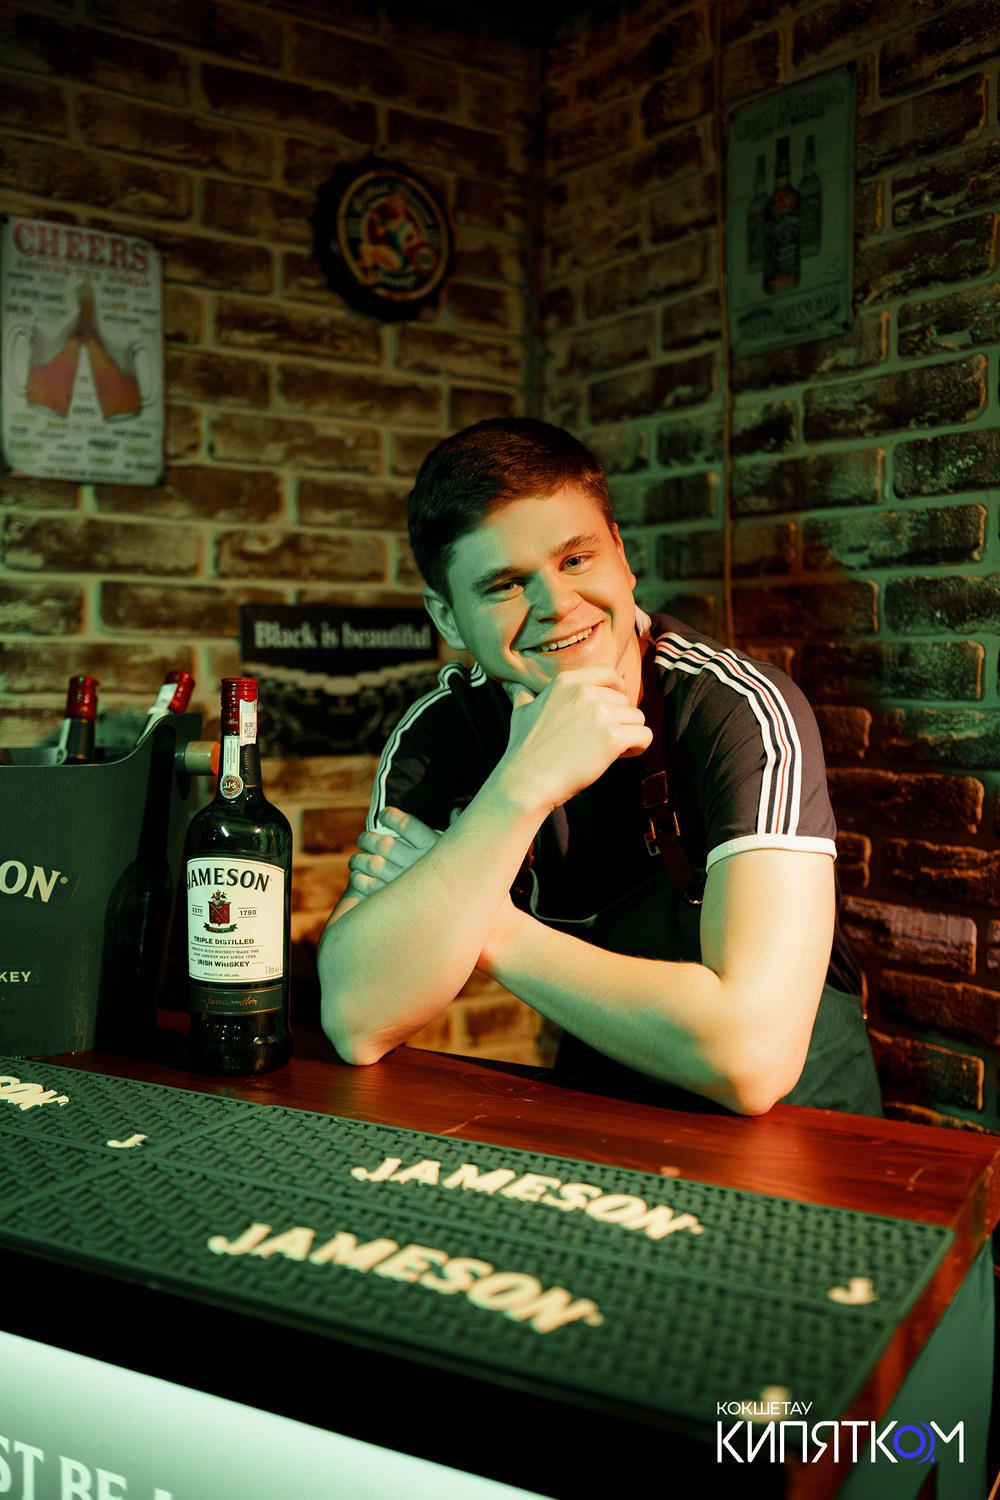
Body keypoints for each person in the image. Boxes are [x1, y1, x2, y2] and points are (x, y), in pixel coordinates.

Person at [318, 418, 882, 1117]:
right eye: (505, 585)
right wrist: (520, 786)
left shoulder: (738, 710)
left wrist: (488, 926)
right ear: (449, 617)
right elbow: (356, 1017)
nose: (557, 605)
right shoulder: (443, 735)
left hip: (804, 1133)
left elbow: (751, 1059)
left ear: (622, 554)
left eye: (576, 560)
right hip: (606, 1109)